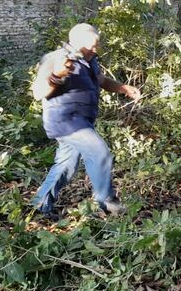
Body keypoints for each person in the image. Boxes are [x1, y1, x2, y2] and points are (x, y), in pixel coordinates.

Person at [30, 23, 141, 218]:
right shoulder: (56, 59)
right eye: (91, 46)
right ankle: (107, 202)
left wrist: (123, 88)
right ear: (76, 43)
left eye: (97, 45)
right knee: (99, 152)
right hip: (65, 120)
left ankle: (40, 205)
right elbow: (38, 92)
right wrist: (56, 76)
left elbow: (101, 80)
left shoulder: (89, 60)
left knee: (66, 166)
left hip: (81, 121)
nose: (95, 50)